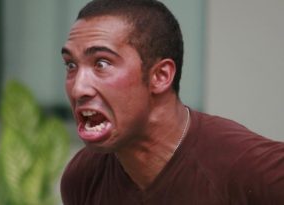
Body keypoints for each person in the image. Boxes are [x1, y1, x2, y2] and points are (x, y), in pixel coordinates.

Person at [60, 0, 284, 204]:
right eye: (71, 65)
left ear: (160, 76)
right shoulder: (84, 176)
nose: (78, 88)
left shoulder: (252, 169)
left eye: (101, 63)